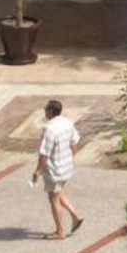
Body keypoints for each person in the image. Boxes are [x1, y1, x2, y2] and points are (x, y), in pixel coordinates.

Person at [33, 99, 84, 240]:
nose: (44, 112)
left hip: (54, 170)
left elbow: (44, 153)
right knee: (57, 192)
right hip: (66, 167)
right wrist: (70, 158)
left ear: (50, 111)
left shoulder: (49, 129)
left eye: (46, 109)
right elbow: (75, 142)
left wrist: (37, 171)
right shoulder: (67, 123)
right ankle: (75, 216)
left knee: (53, 199)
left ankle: (60, 231)